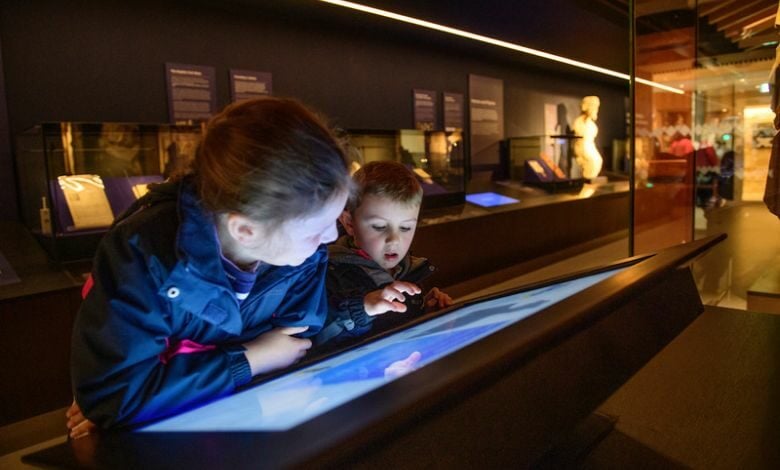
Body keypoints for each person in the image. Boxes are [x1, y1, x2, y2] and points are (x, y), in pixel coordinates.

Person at [65, 97, 353, 437]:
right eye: (316, 230)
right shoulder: (144, 254)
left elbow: (296, 346)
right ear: (245, 230)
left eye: (334, 220)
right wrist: (248, 360)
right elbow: (117, 395)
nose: (331, 237)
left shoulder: (302, 255)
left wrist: (169, 384)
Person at [314, 161, 453, 349]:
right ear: (349, 223)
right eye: (379, 227)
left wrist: (425, 311)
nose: (394, 240)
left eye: (405, 227)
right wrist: (361, 309)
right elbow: (316, 339)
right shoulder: (327, 272)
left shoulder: (409, 268)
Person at [572, 95, 603, 180]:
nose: (596, 110)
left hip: (589, 145)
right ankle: (586, 186)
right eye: (594, 107)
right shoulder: (579, 121)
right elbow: (580, 137)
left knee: (597, 161)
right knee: (593, 162)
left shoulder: (591, 123)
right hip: (582, 146)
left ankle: (588, 187)